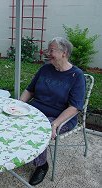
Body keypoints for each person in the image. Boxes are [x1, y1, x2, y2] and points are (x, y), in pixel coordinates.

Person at [20, 37, 85, 185]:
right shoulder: (45, 68)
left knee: (40, 130)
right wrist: (18, 105)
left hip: (59, 117)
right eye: (48, 49)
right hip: (36, 111)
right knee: (12, 120)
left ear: (64, 53)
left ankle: (42, 165)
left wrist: (55, 124)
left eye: (52, 50)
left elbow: (75, 107)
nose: (47, 53)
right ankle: (23, 152)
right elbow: (29, 90)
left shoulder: (76, 76)